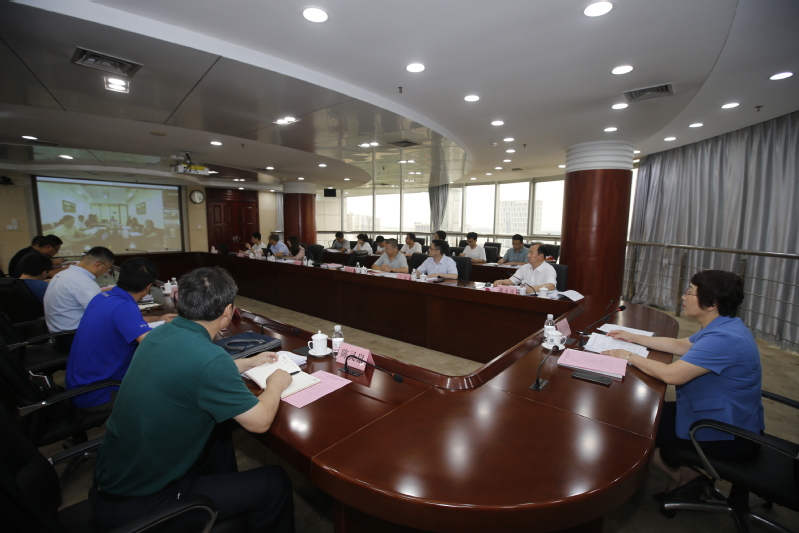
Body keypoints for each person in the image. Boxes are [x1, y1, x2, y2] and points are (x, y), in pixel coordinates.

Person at [89, 267, 295, 533]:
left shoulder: (161, 333)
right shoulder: (210, 359)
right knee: (274, 481)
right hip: (143, 502)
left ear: (180, 300)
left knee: (218, 436)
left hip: (113, 478)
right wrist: (276, 383)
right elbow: (260, 421)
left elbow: (192, 370)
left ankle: (230, 500)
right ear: (228, 312)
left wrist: (248, 362)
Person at [602, 270, 764, 502]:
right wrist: (632, 337)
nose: (683, 296)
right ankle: (685, 474)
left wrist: (628, 356)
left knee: (631, 428)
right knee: (639, 414)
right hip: (718, 413)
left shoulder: (725, 339)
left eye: (690, 292)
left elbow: (671, 375)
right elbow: (680, 345)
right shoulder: (725, 326)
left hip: (725, 431)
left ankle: (684, 476)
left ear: (712, 303)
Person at [65, 258, 175, 412]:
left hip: (79, 385)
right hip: (99, 393)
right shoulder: (124, 306)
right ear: (148, 287)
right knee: (173, 392)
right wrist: (172, 328)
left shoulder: (103, 297)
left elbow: (125, 320)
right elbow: (154, 345)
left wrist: (158, 319)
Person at [44, 246, 115, 337]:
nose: (105, 271)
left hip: (58, 331)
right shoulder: (82, 281)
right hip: (73, 335)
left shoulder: (64, 274)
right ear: (98, 265)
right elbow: (104, 312)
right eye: (108, 268)